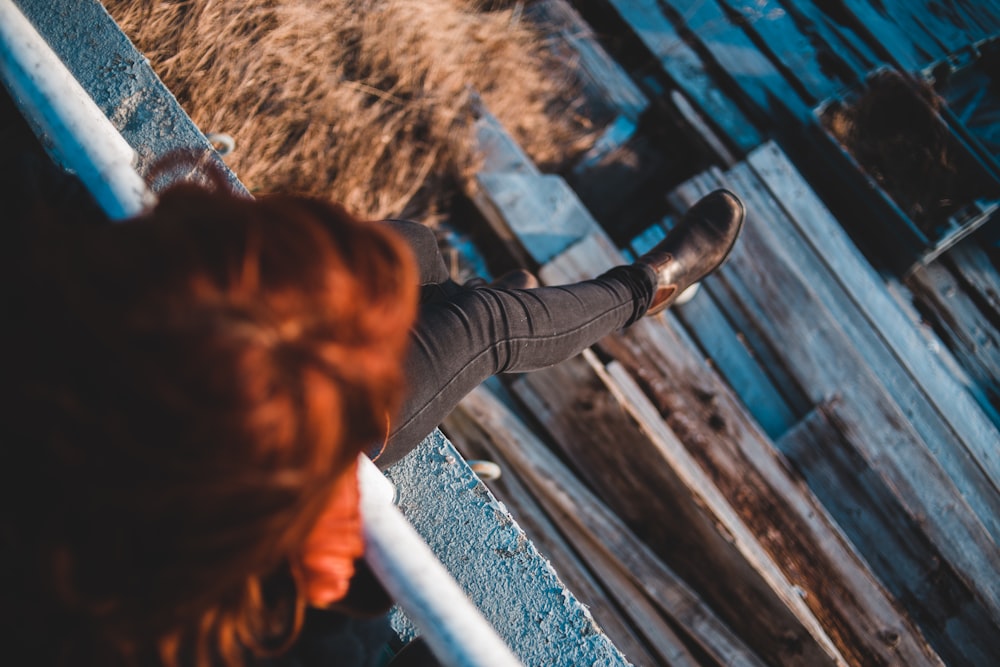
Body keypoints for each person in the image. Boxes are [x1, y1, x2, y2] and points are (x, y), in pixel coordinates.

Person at [1, 171, 743, 667]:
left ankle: (477, 307)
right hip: (243, 399)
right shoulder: (283, 602)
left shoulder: (60, 345)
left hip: (199, 371)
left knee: (414, 249)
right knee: (481, 321)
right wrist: (338, 573)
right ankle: (648, 285)